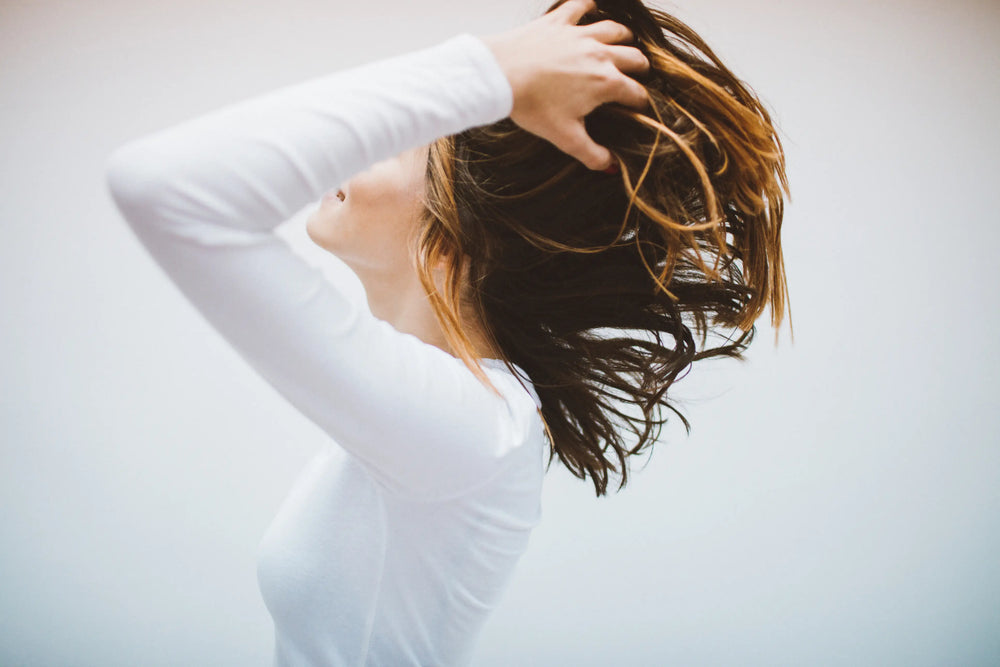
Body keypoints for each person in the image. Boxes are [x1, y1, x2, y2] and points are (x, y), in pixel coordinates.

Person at [104, 0, 790, 664]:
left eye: (394, 139)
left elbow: (158, 186)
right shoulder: (454, 416)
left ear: (453, 243)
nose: (349, 147)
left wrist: (490, 69)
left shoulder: (476, 427)